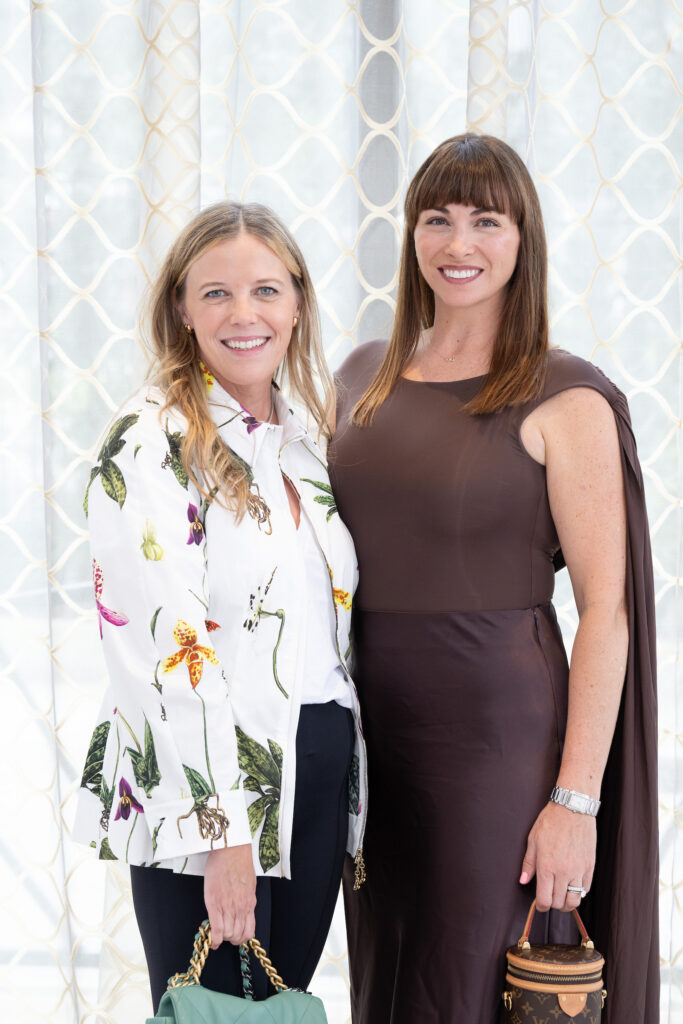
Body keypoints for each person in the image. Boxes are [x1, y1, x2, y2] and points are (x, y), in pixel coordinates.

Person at [329, 134, 658, 1023]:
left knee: (475, 983)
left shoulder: (566, 397)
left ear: (523, 241)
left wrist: (573, 801)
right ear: (409, 236)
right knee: (387, 982)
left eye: (485, 220)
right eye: (435, 218)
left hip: (496, 749)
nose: (456, 242)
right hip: (370, 746)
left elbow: (605, 613)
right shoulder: (359, 376)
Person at [73, 201, 367, 1010]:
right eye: (216, 294)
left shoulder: (304, 439)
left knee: (282, 1008)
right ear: (180, 306)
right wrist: (221, 834)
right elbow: (160, 653)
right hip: (208, 782)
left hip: (314, 758)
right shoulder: (149, 439)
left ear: (298, 302)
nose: (244, 315)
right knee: (214, 1013)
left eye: (266, 291)